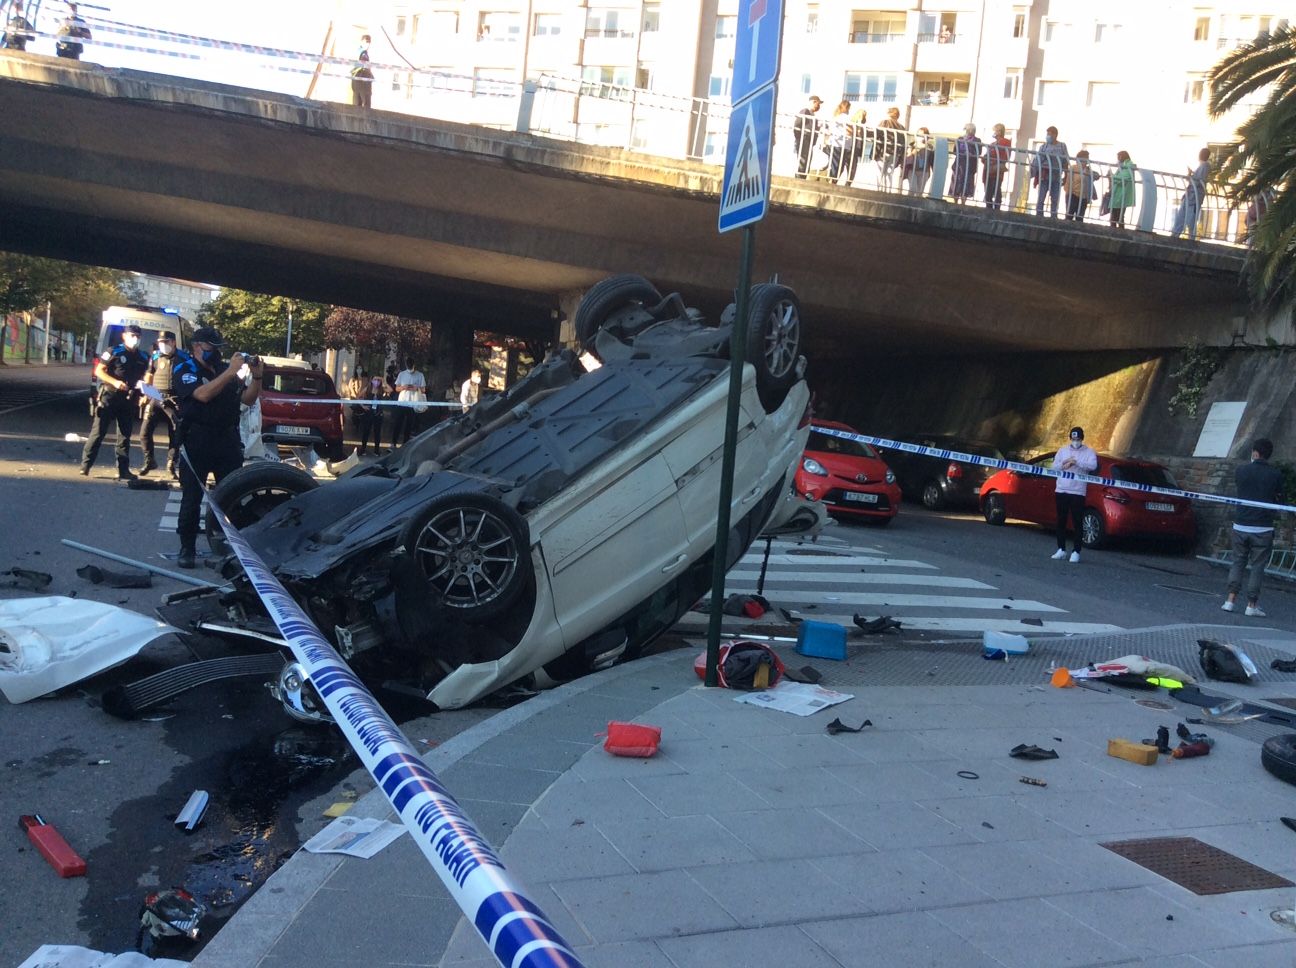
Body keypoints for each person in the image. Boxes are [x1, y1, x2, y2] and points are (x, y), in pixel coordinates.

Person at [173, 327, 262, 568]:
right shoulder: (185, 369)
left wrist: (258, 377)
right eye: (212, 348)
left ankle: (231, 547)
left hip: (227, 440)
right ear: (197, 346)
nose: (216, 353)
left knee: (232, 495)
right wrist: (231, 371)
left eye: (219, 348)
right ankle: (187, 548)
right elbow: (201, 395)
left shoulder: (225, 370)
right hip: (197, 439)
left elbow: (247, 399)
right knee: (192, 497)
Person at [1222, 438, 1283, 617]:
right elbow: (1279, 499)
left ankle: (1230, 600)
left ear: (1254, 452)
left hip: (1241, 524)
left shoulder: (1241, 471)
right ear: (1269, 454)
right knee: (1257, 566)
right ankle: (1251, 604)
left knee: (1238, 561)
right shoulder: (1275, 475)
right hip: (1262, 527)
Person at [80, 323, 149, 480]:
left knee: (124, 436)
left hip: (129, 400)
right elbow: (99, 371)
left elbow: (146, 375)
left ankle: (123, 470)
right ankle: (86, 465)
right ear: (124, 336)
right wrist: (115, 382)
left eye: (138, 336)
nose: (135, 339)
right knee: (98, 432)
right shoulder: (114, 351)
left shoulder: (143, 357)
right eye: (132, 336)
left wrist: (145, 390)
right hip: (110, 396)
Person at [140, 330, 184, 478]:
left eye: (166, 342)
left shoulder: (183, 358)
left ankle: (171, 463)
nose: (163, 345)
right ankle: (149, 460)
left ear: (173, 342)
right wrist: (145, 393)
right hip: (156, 396)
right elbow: (149, 375)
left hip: (174, 399)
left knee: (175, 434)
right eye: (160, 343)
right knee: (144, 432)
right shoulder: (155, 356)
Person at [1050, 426, 1098, 563]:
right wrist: (1064, 464)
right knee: (1061, 521)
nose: (1075, 441)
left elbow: (1092, 466)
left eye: (1077, 439)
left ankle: (1076, 551)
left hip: (1078, 492)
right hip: (1061, 490)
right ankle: (1061, 549)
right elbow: (1054, 466)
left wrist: (1076, 462)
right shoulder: (1063, 450)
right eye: (1073, 439)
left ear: (1082, 439)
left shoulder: (1089, 452)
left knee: (1077, 522)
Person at [1171, 147, 1212, 240]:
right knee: (1181, 217)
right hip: (1190, 196)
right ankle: (1175, 236)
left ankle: (1189, 239)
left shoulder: (1205, 166)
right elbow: (1197, 179)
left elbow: (1197, 181)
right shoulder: (1203, 166)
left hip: (1194, 197)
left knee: (1190, 220)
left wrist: (1190, 176)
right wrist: (1191, 175)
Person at [1031, 126, 1069, 218]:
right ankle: (1039, 216)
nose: (1048, 136)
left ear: (1055, 135)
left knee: (1055, 199)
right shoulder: (1043, 147)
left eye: (1050, 134)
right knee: (1041, 198)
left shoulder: (1062, 146)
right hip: (1045, 176)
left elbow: (1065, 161)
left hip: (1056, 177)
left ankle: (1053, 217)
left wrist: (1066, 176)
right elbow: (1037, 160)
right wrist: (1033, 172)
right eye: (1047, 134)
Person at [391, 359, 426, 445]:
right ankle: (393, 443)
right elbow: (396, 388)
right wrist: (404, 387)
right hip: (402, 402)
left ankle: (405, 443)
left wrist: (416, 388)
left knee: (409, 425)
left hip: (413, 403)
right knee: (398, 423)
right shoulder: (402, 374)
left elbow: (423, 389)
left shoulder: (420, 375)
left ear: (414, 365)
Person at [876, 106, 907, 190]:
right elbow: (904, 142)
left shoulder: (885, 122)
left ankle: (879, 190)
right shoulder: (901, 127)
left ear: (889, 113)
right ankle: (887, 191)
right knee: (889, 174)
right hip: (895, 153)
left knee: (880, 172)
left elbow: (877, 134)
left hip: (884, 151)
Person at [356, 374, 388, 455]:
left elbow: (390, 390)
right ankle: (363, 449)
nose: (376, 382)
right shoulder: (368, 389)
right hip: (368, 413)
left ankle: (376, 450)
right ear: (371, 381)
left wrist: (383, 379)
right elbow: (358, 397)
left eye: (378, 380)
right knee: (366, 431)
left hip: (378, 413)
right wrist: (363, 406)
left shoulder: (382, 390)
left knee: (377, 432)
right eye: (375, 380)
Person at [949, 123, 980, 204]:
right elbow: (955, 151)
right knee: (957, 182)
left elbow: (978, 152)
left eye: (971, 130)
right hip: (959, 164)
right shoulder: (960, 138)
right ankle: (955, 201)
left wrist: (971, 153)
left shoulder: (977, 140)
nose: (969, 131)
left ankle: (963, 202)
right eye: (968, 129)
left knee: (967, 183)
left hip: (969, 166)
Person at [1063, 149, 1098, 222]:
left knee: (1080, 218)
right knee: (1069, 216)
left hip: (1084, 197)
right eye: (1083, 159)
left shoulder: (1088, 170)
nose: (1085, 162)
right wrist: (1068, 194)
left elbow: (1097, 176)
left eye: (1086, 159)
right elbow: (1068, 182)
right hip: (1073, 195)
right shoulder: (1073, 168)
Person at [793, 95, 822, 179]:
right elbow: (797, 124)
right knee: (803, 161)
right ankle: (799, 179)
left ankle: (802, 178)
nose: (819, 106)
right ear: (814, 102)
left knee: (807, 161)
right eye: (818, 103)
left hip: (809, 141)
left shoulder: (813, 116)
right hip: (804, 138)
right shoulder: (805, 111)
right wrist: (799, 138)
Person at [983, 123, 1011, 210]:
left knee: (996, 187)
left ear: (1000, 131)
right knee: (988, 190)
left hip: (997, 168)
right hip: (988, 169)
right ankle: (988, 207)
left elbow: (1005, 154)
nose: (994, 132)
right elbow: (987, 155)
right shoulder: (992, 144)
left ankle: (997, 208)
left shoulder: (1006, 141)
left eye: (995, 130)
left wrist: (992, 156)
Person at [824, 100, 853, 182]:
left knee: (835, 165)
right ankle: (831, 183)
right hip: (841, 144)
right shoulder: (844, 117)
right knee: (838, 166)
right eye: (849, 108)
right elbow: (850, 130)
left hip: (834, 143)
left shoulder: (836, 117)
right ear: (846, 108)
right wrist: (852, 132)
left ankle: (831, 181)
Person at [1108, 150, 1136, 227]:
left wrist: (1112, 176)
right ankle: (1115, 231)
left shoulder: (1128, 165)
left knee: (1118, 216)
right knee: (1115, 216)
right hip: (1118, 194)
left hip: (1122, 195)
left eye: (1118, 157)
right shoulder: (1123, 165)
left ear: (1121, 157)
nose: (1117, 159)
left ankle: (1117, 232)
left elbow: (1123, 179)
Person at [904, 126, 934, 195]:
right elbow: (907, 157)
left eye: (922, 135)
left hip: (924, 171)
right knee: (912, 188)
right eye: (918, 135)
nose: (920, 137)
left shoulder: (930, 147)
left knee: (920, 191)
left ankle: (916, 204)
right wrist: (912, 152)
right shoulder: (912, 145)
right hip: (912, 170)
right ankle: (908, 202)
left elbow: (932, 160)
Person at [351, 34, 374, 108]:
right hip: (362, 80)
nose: (368, 44)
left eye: (369, 42)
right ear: (361, 42)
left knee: (357, 104)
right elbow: (364, 67)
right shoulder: (363, 53)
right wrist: (370, 75)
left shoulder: (361, 52)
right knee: (365, 104)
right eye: (366, 41)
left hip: (358, 80)